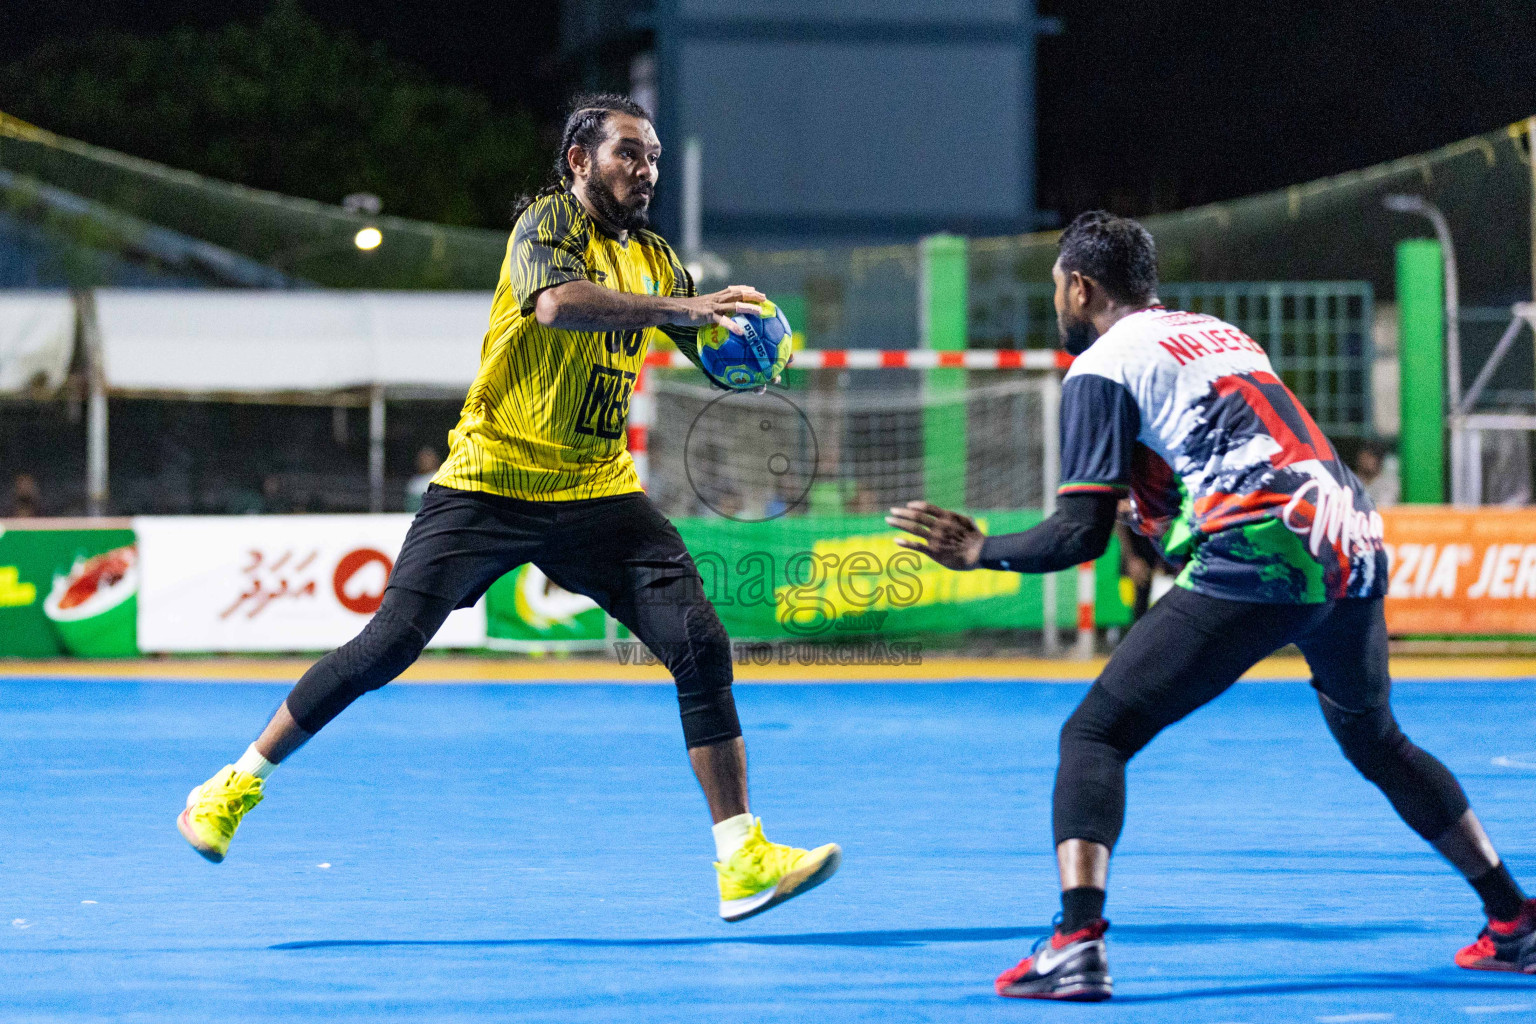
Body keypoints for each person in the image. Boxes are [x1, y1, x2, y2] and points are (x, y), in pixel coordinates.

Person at [177, 94, 840, 923]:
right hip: (490, 482)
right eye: (629, 154)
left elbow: (698, 342)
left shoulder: (660, 260)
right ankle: (232, 785)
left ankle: (740, 857)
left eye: (655, 157)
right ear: (578, 161)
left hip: (598, 493)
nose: (646, 171)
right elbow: (559, 305)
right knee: (388, 646)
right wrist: (685, 310)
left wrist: (745, 350)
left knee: (699, 642)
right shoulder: (545, 227)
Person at [888, 211, 1534, 1000]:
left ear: (1080, 287)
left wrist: (978, 548)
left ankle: (1076, 945)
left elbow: (1076, 537)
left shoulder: (1101, 367)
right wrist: (1156, 517)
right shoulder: (1215, 335)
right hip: (1351, 538)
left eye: (1057, 285)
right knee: (1377, 740)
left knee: (1095, 734)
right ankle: (1514, 922)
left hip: (1266, 554)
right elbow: (1221, 463)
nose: (1056, 300)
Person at [403, 446, 440, 513]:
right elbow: (410, 506)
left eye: (428, 458)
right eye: (423, 459)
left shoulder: (441, 478)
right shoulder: (414, 482)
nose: (425, 462)